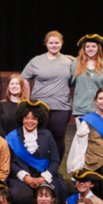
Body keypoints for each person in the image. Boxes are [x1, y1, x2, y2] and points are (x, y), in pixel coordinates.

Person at [21, 31, 75, 159]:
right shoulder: (37, 60)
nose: (54, 45)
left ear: (61, 44)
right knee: (39, 136)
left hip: (61, 106)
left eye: (57, 43)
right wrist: (28, 100)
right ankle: (38, 167)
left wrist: (75, 59)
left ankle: (54, 169)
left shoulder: (68, 61)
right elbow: (24, 79)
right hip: (40, 105)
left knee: (58, 136)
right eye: (51, 43)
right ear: (46, 44)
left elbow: (85, 66)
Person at [6, 101, 64, 204]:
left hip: (44, 176)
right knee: (22, 197)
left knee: (53, 199)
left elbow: (55, 160)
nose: (30, 121)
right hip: (22, 178)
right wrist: (25, 177)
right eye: (27, 118)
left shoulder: (47, 135)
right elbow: (10, 162)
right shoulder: (12, 136)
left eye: (34, 119)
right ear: (21, 119)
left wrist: (44, 178)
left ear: (39, 120)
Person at [70, 34, 103, 117]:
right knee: (82, 130)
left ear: (98, 48)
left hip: (99, 110)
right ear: (84, 49)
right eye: (87, 47)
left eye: (93, 46)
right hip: (80, 109)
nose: (90, 49)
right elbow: (69, 82)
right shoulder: (76, 63)